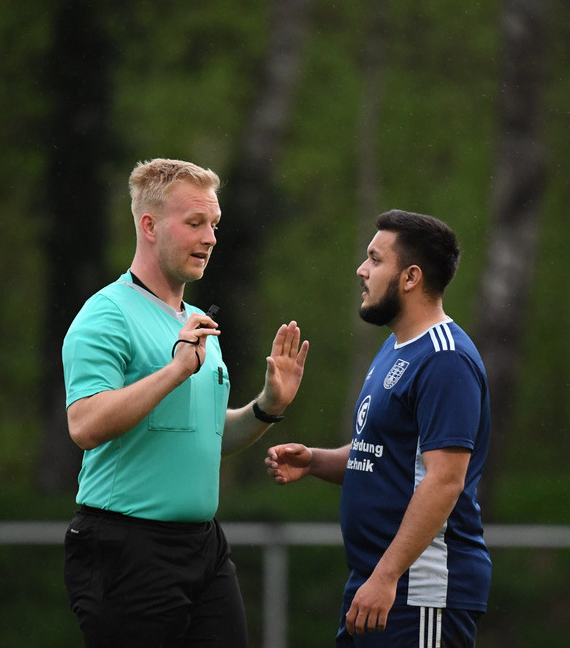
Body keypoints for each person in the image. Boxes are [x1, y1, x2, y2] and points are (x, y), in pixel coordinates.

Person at [61, 158, 308, 648]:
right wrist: (174, 370)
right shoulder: (105, 314)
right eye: (195, 222)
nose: (210, 237)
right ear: (149, 225)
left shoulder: (196, 321)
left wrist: (267, 406)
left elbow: (208, 436)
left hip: (203, 546)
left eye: (213, 224)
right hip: (125, 546)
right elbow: (84, 426)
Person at [265, 210, 491, 647]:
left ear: (410, 277)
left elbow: (444, 480)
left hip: (421, 589)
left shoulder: (445, 359)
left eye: (374, 259)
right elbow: (388, 455)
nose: (361, 270)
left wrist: (387, 576)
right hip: (378, 584)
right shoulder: (396, 346)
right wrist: (316, 461)